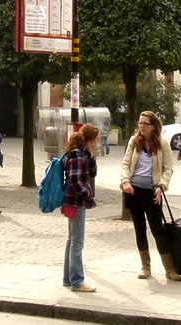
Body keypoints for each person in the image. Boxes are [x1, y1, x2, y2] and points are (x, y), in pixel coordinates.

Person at [120, 110, 181, 282]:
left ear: (153, 126)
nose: (141, 126)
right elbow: (125, 164)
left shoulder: (163, 143)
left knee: (158, 230)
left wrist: (161, 186)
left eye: (145, 123)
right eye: (139, 123)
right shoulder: (134, 141)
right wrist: (125, 181)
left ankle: (169, 269)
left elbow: (168, 169)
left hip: (152, 193)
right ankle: (145, 267)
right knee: (139, 229)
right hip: (133, 191)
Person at [61, 123, 100, 293]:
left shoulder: (83, 152)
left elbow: (92, 173)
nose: (97, 143)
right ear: (90, 139)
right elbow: (75, 180)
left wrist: (91, 156)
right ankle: (77, 281)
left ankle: (68, 278)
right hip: (76, 201)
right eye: (96, 139)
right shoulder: (77, 153)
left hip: (73, 201)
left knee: (72, 239)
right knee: (77, 241)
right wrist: (87, 193)